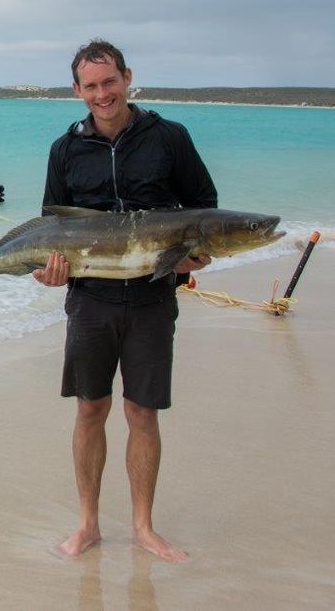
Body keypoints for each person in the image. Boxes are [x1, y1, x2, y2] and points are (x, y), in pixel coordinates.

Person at [34, 39, 217, 563]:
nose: (102, 94)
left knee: (142, 412)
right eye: (91, 86)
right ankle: (87, 524)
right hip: (90, 299)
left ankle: (143, 527)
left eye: (109, 82)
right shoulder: (64, 150)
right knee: (90, 408)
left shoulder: (170, 138)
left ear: (127, 77)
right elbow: (51, 226)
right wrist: (48, 273)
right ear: (77, 90)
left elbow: (204, 208)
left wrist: (193, 257)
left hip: (152, 297)